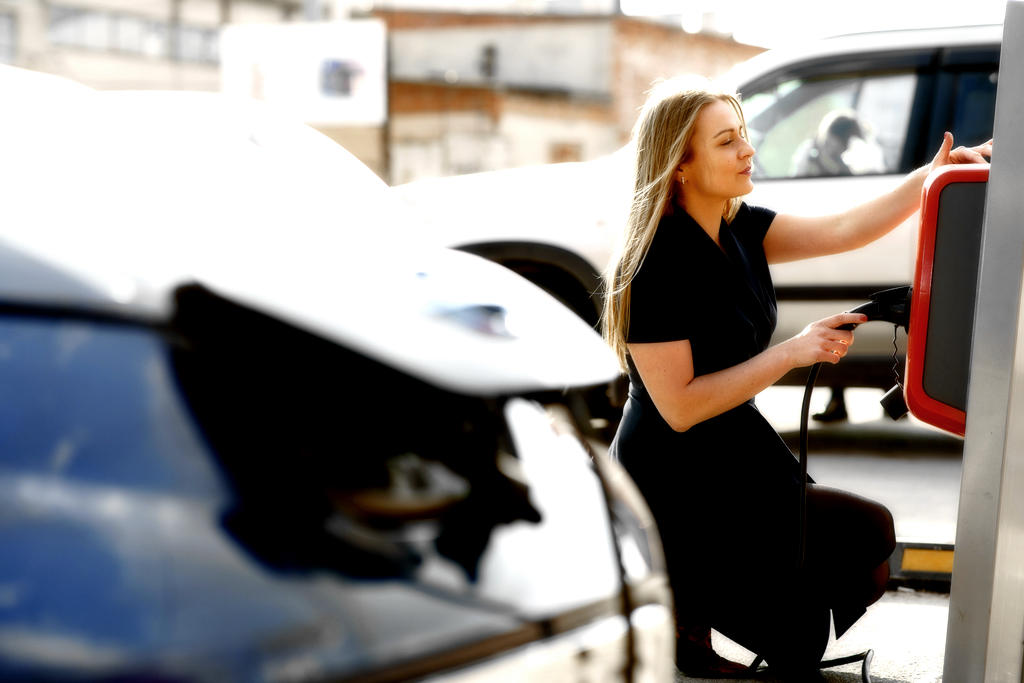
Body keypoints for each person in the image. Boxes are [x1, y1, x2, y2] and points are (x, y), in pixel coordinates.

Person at [601, 77, 992, 681]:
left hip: (738, 457)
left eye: (744, 137)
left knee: (864, 547)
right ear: (680, 163)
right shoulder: (654, 263)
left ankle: (703, 604)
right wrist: (792, 353)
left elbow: (842, 232)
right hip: (677, 482)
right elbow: (677, 408)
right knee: (816, 607)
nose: (747, 152)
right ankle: (683, 605)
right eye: (727, 141)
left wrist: (930, 177)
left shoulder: (741, 227)